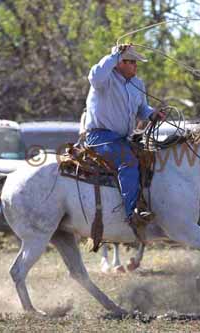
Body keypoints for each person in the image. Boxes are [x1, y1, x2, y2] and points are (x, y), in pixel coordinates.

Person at [83, 44, 166, 238]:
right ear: (121, 62)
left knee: (150, 158)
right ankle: (132, 214)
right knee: (128, 161)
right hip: (99, 136)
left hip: (122, 138)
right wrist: (113, 55)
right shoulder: (105, 79)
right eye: (132, 62)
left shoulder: (138, 84)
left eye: (136, 62)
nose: (136, 66)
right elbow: (94, 76)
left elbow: (141, 109)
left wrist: (152, 114)